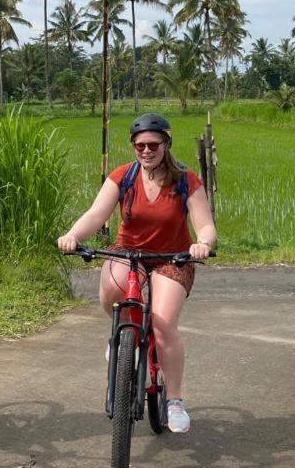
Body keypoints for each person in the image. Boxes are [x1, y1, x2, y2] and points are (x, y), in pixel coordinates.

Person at [57, 113, 217, 433]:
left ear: (166, 144)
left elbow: (205, 225)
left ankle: (174, 402)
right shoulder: (124, 176)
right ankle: (121, 338)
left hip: (173, 257)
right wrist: (74, 235)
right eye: (139, 145)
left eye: (153, 144)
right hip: (128, 252)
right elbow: (96, 213)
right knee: (111, 294)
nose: (146, 150)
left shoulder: (186, 181)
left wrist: (203, 243)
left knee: (162, 324)